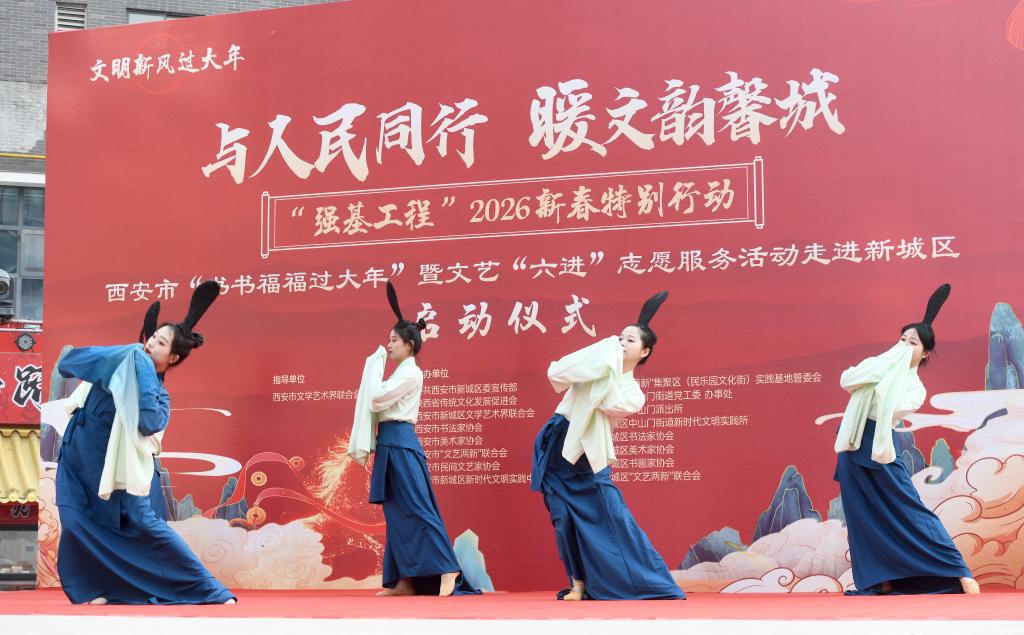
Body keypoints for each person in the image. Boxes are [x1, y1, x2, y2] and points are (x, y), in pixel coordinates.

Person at [55, 281, 235, 604]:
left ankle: (207, 588)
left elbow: (150, 422)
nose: (151, 343)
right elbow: (69, 363)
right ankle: (96, 588)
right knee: (74, 521)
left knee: (142, 524)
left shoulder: (159, 395)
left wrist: (145, 372)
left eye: (161, 342)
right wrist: (135, 357)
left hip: (118, 469)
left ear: (173, 356)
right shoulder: (123, 359)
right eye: (153, 337)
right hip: (79, 456)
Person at [531, 291, 685, 600]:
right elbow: (557, 372)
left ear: (644, 351)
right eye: (619, 338)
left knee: (613, 516)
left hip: (588, 455)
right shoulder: (597, 363)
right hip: (557, 440)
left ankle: (649, 581)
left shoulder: (633, 393)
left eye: (630, 340)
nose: (621, 343)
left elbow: (606, 401)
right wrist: (602, 353)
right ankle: (578, 583)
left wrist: (607, 363)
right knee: (562, 517)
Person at [834, 283, 980, 595]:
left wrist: (891, 366)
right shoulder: (878, 364)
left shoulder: (915, 388)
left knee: (910, 508)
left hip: (879, 447)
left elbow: (885, 404)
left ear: (925, 352)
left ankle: (956, 571)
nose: (903, 346)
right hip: (852, 444)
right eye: (901, 339)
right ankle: (881, 579)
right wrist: (888, 360)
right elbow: (848, 379)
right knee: (862, 514)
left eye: (912, 343)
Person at [348, 282, 479, 596]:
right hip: (390, 442)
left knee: (418, 508)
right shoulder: (400, 372)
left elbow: (376, 400)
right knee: (396, 514)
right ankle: (404, 581)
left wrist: (375, 363)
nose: (389, 345)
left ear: (409, 344)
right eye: (389, 340)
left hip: (402, 443)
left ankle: (448, 568)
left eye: (393, 340)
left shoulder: (411, 373)